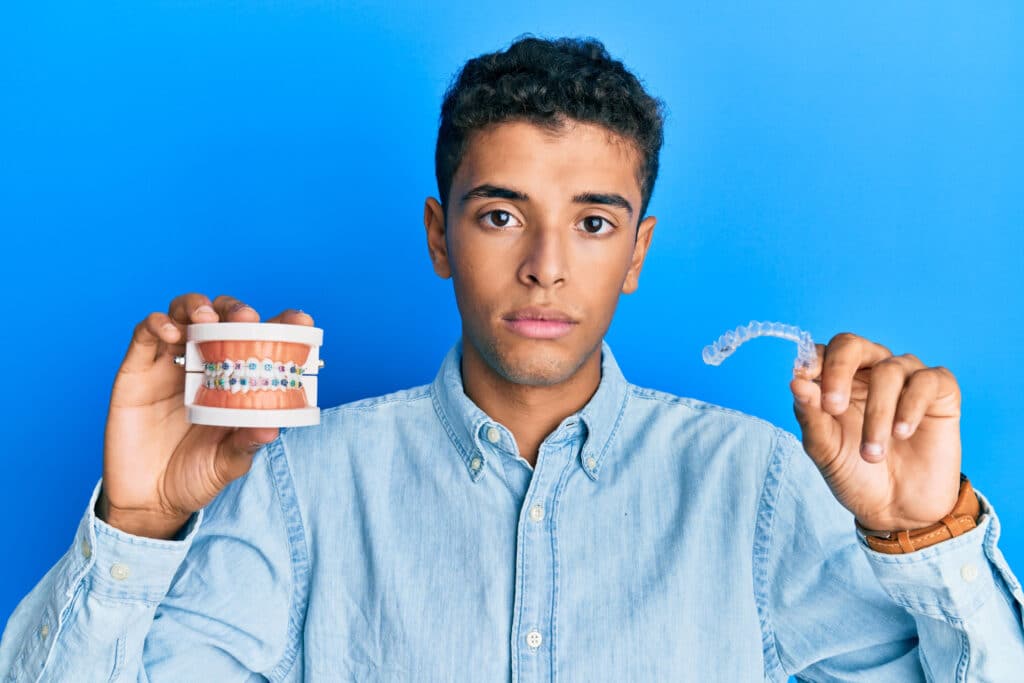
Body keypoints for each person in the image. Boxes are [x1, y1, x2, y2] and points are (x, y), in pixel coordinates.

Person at [2, 34, 1023, 682]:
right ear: (441, 234)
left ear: (637, 252)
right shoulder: (298, 484)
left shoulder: (752, 485)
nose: (543, 267)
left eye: (590, 221)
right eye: (501, 215)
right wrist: (137, 524)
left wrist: (923, 536)